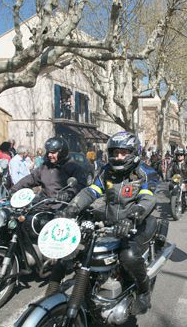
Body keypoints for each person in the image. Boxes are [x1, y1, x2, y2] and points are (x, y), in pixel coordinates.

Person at [60, 131, 157, 315]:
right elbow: (91, 192)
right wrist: (71, 208)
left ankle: (144, 292)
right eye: (114, 153)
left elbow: (148, 199)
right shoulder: (106, 171)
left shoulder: (145, 172)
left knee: (127, 256)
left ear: (134, 152)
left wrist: (132, 217)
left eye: (123, 152)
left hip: (140, 222)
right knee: (84, 251)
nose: (118, 157)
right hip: (112, 222)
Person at [11, 137, 87, 206]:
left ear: (62, 152)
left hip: (64, 205)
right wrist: (14, 189)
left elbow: (81, 185)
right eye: (48, 152)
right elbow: (32, 178)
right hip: (45, 204)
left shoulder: (73, 167)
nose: (50, 155)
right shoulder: (45, 167)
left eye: (53, 152)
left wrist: (69, 193)